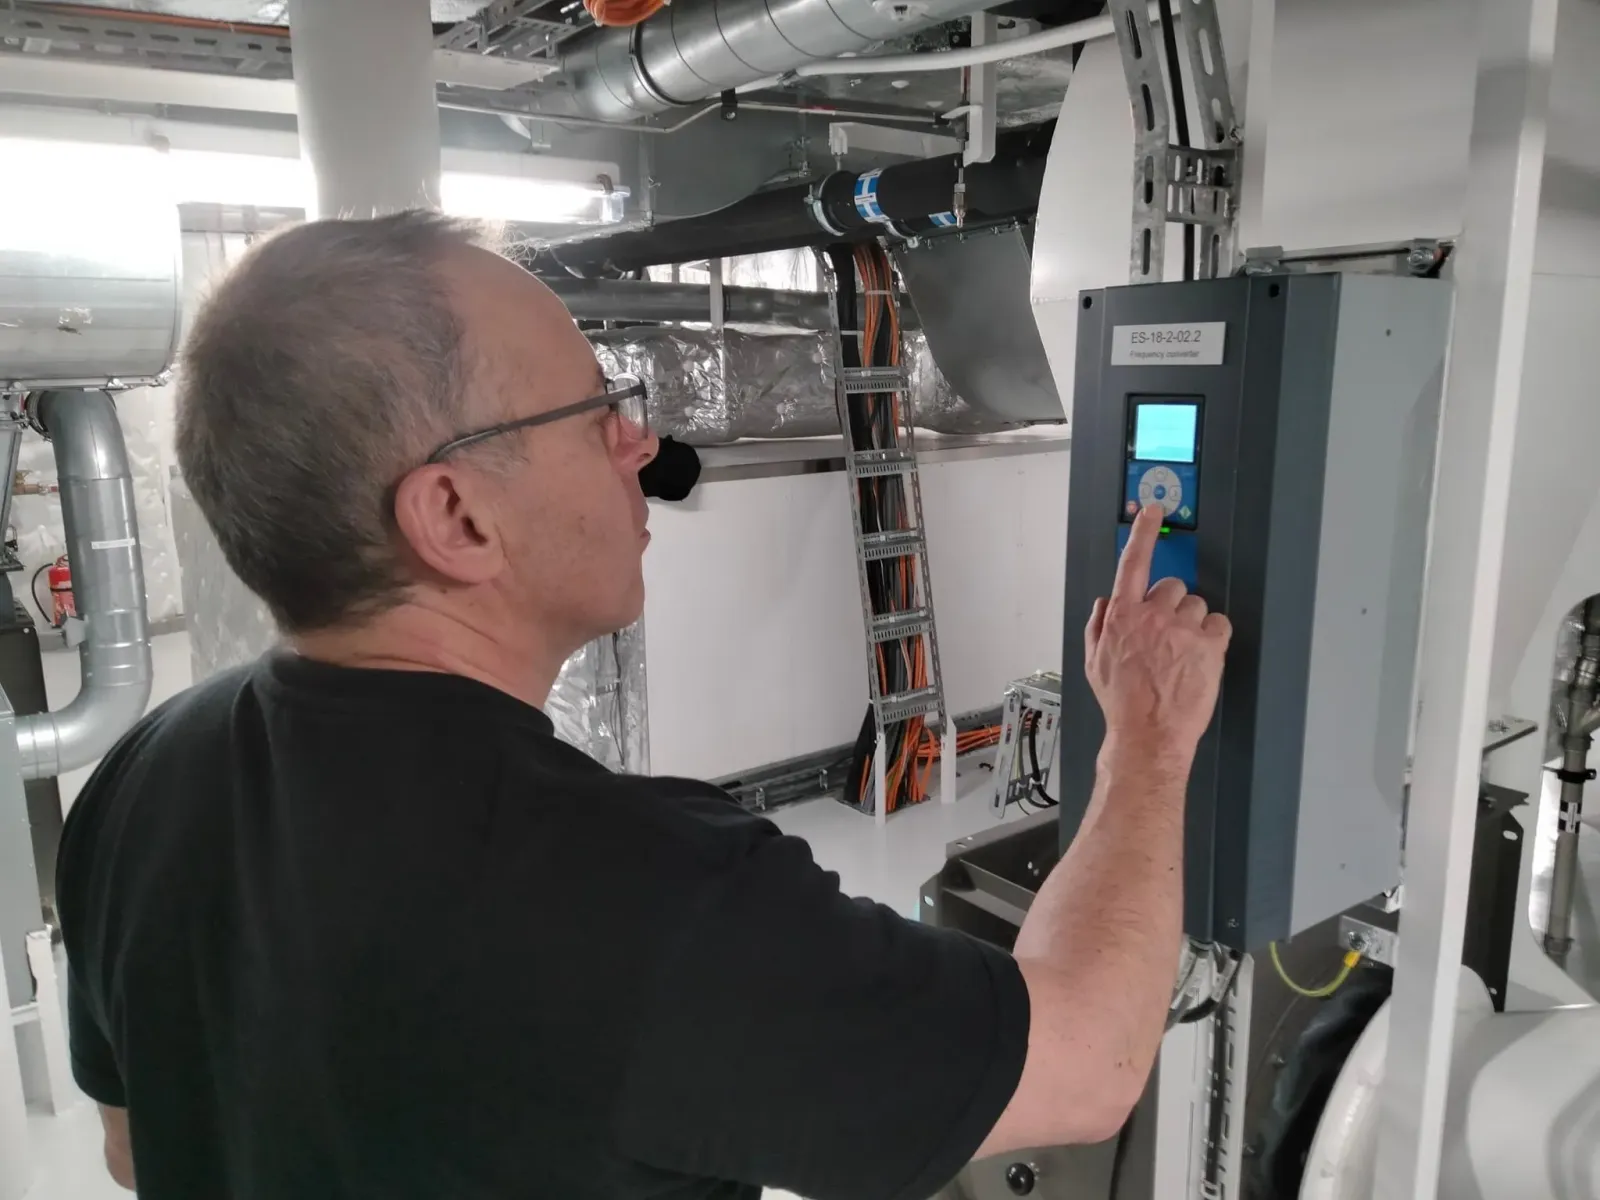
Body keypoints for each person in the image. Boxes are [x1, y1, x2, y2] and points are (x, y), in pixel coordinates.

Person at [57, 212, 1231, 1199]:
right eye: (594, 412)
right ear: (456, 517)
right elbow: (1086, 1062)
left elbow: (129, 1148)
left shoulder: (141, 779)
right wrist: (1147, 736)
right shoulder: (650, 896)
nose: (641, 445)